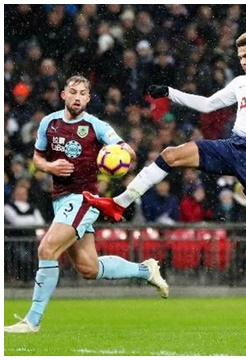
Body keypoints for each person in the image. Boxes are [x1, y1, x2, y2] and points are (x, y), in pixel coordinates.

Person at [83, 30, 246, 309]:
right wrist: (169, 93)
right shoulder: (240, 83)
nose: (243, 62)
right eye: (239, 57)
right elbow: (207, 104)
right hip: (232, 147)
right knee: (171, 154)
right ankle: (119, 203)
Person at [4, 75, 168, 334]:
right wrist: (50, 166)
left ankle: (32, 321)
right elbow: (37, 157)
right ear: (64, 95)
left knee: (47, 249)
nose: (78, 96)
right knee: (89, 268)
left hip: (84, 199)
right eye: (73, 92)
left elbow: (129, 152)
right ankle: (144, 270)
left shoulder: (96, 126)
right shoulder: (49, 123)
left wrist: (120, 155)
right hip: (60, 199)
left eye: (83, 93)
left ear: (89, 98)